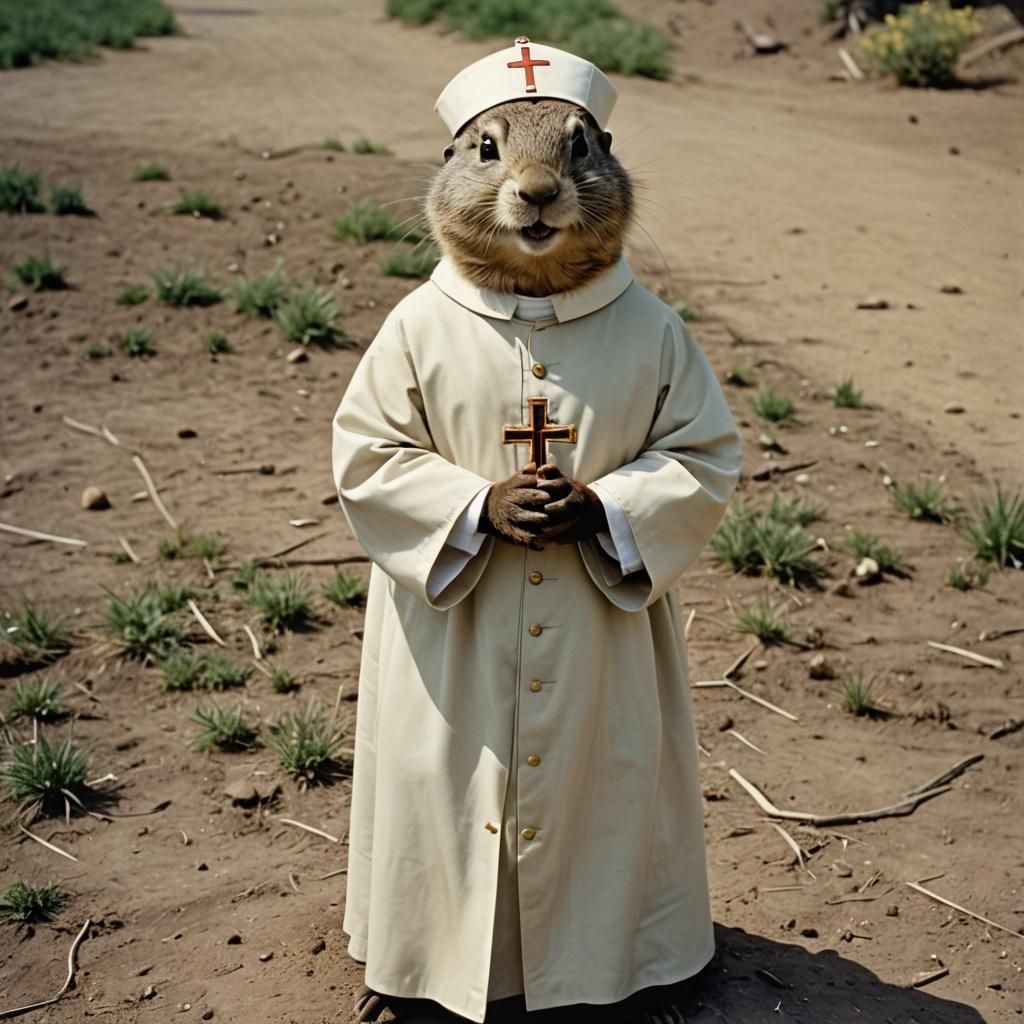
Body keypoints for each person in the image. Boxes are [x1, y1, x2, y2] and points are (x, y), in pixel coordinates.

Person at [332, 37, 742, 1024]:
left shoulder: (650, 329)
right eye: (492, 155)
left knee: (606, 777)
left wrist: (609, 508)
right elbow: (367, 455)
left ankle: (615, 963)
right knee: (444, 777)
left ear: (605, 163)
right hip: (457, 629)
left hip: (598, 633)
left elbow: (702, 456)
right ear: (452, 167)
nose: (536, 184)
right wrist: (474, 507)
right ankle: (428, 955)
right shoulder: (419, 325)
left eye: (573, 154)